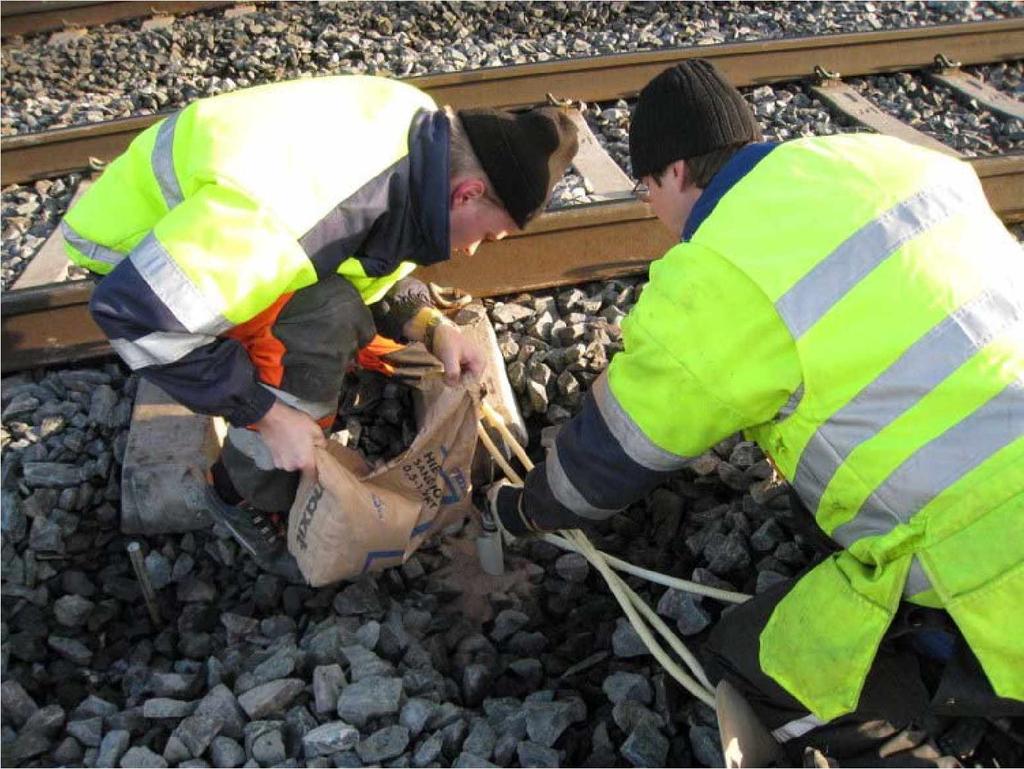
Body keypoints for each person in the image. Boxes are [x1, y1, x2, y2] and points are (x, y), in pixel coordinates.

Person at [488, 59, 1023, 765]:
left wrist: (523, 511)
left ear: (676, 173)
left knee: (762, 662)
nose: (652, 210)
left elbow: (613, 452)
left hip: (997, 560)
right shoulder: (894, 160)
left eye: (647, 190)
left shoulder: (720, 261)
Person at [63, 75, 579, 573]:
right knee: (327, 320)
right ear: (466, 194)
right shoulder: (284, 216)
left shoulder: (420, 134)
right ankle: (240, 491)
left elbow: (362, 246)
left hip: (211, 230)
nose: (469, 252)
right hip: (138, 260)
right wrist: (267, 416)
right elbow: (132, 312)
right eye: (484, 238)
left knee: (337, 308)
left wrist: (427, 323)